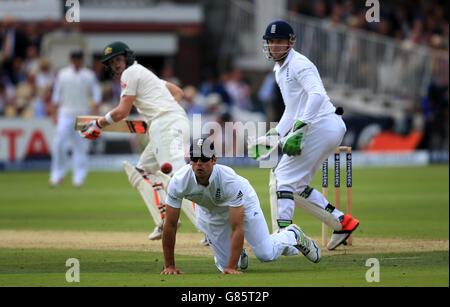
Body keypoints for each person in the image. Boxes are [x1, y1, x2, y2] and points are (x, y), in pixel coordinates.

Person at [78, 41, 201, 242]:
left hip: (166, 126)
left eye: (118, 59)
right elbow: (178, 93)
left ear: (126, 57)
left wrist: (98, 124)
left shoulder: (131, 73)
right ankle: (164, 218)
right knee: (142, 171)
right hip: (174, 122)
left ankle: (208, 227)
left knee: (178, 178)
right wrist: (159, 111)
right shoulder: (147, 76)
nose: (117, 64)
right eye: (112, 62)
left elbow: (122, 112)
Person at [255, 21, 360, 250]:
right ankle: (342, 222)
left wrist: (300, 130)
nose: (274, 46)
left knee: (282, 176)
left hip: (322, 125)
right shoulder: (279, 69)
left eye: (279, 41)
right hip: (321, 127)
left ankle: (285, 239)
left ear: (291, 42)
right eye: (271, 41)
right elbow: (293, 109)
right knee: (295, 185)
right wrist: (274, 136)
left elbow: (317, 95)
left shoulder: (299, 64)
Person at [161, 138, 320, 275]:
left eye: (204, 159)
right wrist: (169, 266)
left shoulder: (228, 180)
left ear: (214, 160)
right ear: (190, 161)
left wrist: (231, 268)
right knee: (224, 265)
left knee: (265, 254)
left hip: (244, 202)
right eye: (195, 159)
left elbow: (237, 226)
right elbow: (170, 224)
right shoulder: (179, 181)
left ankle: (292, 234)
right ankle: (239, 254)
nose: (199, 164)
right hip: (210, 213)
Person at [49, 49, 101, 187]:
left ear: (81, 61)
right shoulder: (63, 74)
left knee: (81, 147)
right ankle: (57, 175)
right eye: (75, 60)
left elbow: (96, 95)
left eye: (79, 60)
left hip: (83, 114)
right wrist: (54, 114)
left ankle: (79, 177)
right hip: (65, 113)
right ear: (71, 60)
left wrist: (94, 115)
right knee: (59, 143)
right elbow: (56, 95)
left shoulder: (89, 75)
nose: (77, 62)